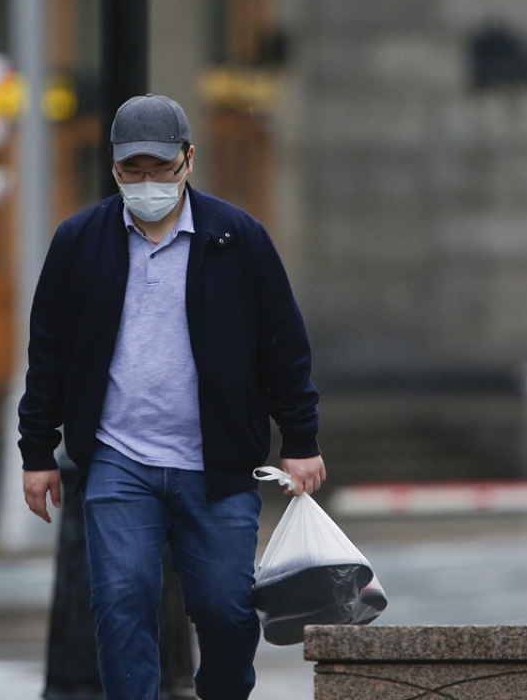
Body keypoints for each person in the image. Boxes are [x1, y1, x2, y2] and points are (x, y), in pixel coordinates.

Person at [17, 94, 325, 700]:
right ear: (113, 169)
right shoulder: (80, 241)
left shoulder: (238, 238)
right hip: (118, 459)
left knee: (226, 611)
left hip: (218, 461)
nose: (146, 184)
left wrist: (301, 438)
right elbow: (49, 351)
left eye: (159, 169)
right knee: (121, 603)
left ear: (189, 159)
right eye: (131, 171)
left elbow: (283, 344)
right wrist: (37, 452)